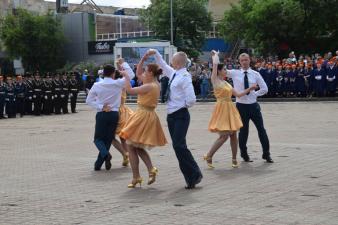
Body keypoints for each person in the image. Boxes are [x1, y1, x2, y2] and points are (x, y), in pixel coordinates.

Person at [149, 49, 203, 189]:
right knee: (177, 147)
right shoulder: (174, 73)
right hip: (171, 115)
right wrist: (155, 53)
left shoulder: (184, 76)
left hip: (180, 114)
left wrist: (181, 106)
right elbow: (162, 65)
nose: (170, 62)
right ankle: (191, 178)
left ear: (177, 62)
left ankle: (195, 174)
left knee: (179, 146)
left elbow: (191, 99)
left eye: (172, 60)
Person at [203, 51, 257, 169]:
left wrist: (250, 88)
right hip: (222, 108)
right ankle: (209, 155)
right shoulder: (215, 80)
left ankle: (234, 159)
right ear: (219, 71)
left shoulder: (226, 83)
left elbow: (238, 94)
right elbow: (215, 66)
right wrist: (215, 56)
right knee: (224, 136)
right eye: (224, 70)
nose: (226, 71)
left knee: (233, 135)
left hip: (230, 108)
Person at [120, 56, 167, 188]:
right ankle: (150, 170)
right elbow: (138, 73)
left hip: (143, 115)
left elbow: (130, 90)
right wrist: (143, 59)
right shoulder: (155, 84)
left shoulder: (149, 86)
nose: (143, 73)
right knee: (137, 146)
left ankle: (137, 176)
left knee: (131, 145)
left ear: (151, 73)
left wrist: (126, 77)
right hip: (147, 115)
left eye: (146, 71)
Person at [86, 62, 135, 171]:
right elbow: (131, 75)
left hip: (102, 114)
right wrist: (123, 65)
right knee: (108, 139)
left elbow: (88, 101)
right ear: (113, 74)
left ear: (103, 74)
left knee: (98, 139)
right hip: (114, 114)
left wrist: (101, 106)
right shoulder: (118, 83)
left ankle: (106, 155)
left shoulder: (97, 85)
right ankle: (99, 163)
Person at [226, 53, 273, 163]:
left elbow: (264, 88)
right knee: (243, 131)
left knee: (261, 130)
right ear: (239, 62)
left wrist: (254, 94)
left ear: (250, 60)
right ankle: (244, 154)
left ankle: (266, 154)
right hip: (241, 106)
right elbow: (219, 71)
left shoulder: (255, 74)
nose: (244, 62)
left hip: (253, 106)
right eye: (242, 60)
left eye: (246, 60)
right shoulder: (234, 73)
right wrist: (215, 59)